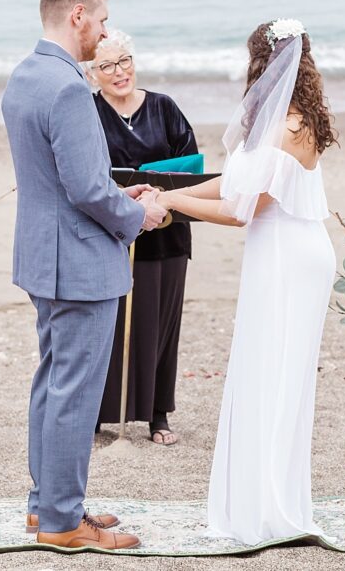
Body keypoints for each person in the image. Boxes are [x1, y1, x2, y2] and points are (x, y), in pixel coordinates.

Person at [152, 19, 338, 545]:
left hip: (286, 257)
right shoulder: (297, 116)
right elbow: (237, 182)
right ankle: (265, 501)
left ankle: (269, 511)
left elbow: (242, 210)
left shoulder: (284, 126)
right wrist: (174, 187)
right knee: (273, 375)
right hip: (295, 252)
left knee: (272, 376)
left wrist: (169, 203)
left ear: (260, 63)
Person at [1, 0, 166, 550]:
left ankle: (42, 507)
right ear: (76, 16)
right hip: (78, 263)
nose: (103, 31)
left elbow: (58, 180)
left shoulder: (26, 75)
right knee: (74, 393)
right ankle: (64, 523)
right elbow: (88, 190)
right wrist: (137, 215)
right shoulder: (70, 88)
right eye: (99, 18)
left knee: (52, 383)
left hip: (43, 258)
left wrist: (120, 198)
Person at [88, 29, 199, 446]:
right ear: (91, 75)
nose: (120, 72)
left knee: (162, 325)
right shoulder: (88, 112)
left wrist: (162, 195)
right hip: (111, 235)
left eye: (125, 61)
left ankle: (157, 415)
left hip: (167, 233)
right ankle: (98, 415)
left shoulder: (164, 107)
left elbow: (190, 164)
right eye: (107, 66)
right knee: (109, 327)